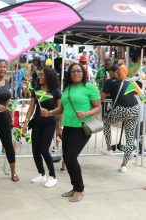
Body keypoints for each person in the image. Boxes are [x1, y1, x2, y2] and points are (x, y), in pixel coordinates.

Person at [49, 63, 101, 202]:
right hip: (68, 126)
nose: (76, 73)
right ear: (69, 74)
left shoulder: (89, 87)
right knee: (67, 158)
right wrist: (50, 112)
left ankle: (80, 189)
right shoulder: (68, 88)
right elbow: (61, 109)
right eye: (73, 71)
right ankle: (74, 187)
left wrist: (86, 113)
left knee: (71, 157)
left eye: (79, 71)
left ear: (83, 73)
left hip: (82, 127)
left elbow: (98, 107)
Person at [22, 67, 61, 188]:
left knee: (44, 150)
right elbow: (31, 107)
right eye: (39, 74)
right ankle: (41, 174)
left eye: (42, 75)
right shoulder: (36, 90)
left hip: (49, 123)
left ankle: (53, 176)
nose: (40, 76)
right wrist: (25, 122)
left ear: (49, 76)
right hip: (37, 122)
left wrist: (60, 127)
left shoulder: (56, 91)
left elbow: (60, 110)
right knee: (35, 150)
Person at [102, 64, 139, 173]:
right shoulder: (129, 81)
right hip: (134, 109)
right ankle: (124, 165)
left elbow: (102, 97)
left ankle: (109, 148)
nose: (109, 73)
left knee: (106, 122)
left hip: (121, 109)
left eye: (110, 72)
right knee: (130, 138)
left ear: (114, 72)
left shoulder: (109, 81)